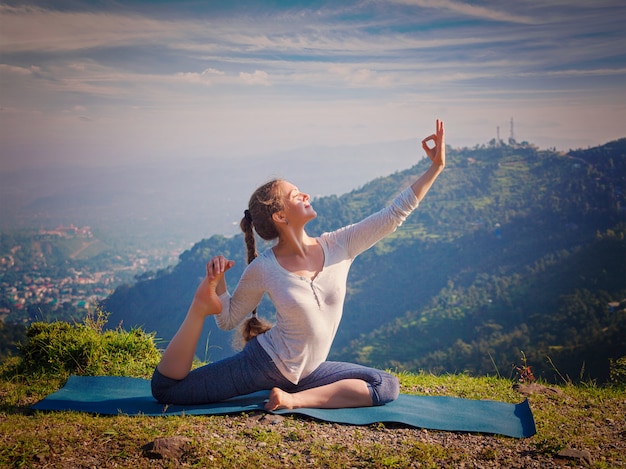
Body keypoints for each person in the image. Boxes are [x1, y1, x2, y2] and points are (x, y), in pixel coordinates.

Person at [151, 119, 445, 411]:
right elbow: (227, 319)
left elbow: (393, 214)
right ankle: (196, 309)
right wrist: (215, 290)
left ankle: (292, 400)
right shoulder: (265, 268)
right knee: (167, 390)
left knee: (385, 385)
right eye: (296, 195)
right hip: (263, 364)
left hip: (307, 375)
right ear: (280, 216)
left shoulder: (340, 245)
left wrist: (435, 168)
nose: (306, 195)